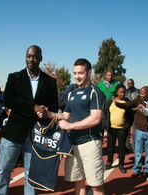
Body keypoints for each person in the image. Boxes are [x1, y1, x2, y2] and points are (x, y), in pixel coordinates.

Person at [0, 45, 58, 195]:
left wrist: (45, 113)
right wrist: (34, 107)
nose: (31, 59)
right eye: (28, 56)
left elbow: (53, 106)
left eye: (34, 56)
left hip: (36, 134)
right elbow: (9, 100)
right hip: (13, 133)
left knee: (31, 172)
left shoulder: (49, 82)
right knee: (4, 168)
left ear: (40, 58)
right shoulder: (14, 77)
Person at [38, 58, 105, 195]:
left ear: (89, 72)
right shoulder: (72, 93)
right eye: (75, 73)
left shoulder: (95, 92)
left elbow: (96, 118)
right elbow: (66, 116)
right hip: (72, 145)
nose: (77, 77)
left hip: (90, 143)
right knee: (78, 182)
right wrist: (48, 113)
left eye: (80, 73)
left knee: (96, 185)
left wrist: (71, 126)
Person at [114, 86, 148, 178]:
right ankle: (137, 169)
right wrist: (118, 104)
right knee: (138, 152)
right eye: (140, 93)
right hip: (139, 130)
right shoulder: (137, 101)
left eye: (142, 93)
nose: (140, 95)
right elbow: (127, 105)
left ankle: (147, 169)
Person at [103, 84, 133, 173]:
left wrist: (127, 126)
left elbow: (131, 115)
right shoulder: (110, 102)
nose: (123, 94)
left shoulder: (127, 102)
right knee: (110, 147)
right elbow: (106, 113)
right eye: (121, 92)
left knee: (121, 148)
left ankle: (121, 164)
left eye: (124, 92)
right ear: (117, 92)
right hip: (111, 128)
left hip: (122, 129)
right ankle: (109, 162)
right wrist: (106, 125)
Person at [124, 78, 140, 153]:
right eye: (128, 83)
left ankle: (134, 148)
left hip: (135, 114)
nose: (129, 85)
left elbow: (140, 102)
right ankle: (127, 147)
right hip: (127, 114)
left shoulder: (138, 92)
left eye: (130, 83)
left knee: (134, 133)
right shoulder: (125, 92)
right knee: (126, 132)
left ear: (133, 84)